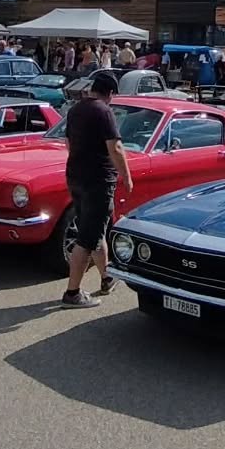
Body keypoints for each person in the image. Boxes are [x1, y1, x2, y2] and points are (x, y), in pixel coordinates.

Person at [60, 72, 133, 307]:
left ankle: (107, 277)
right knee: (87, 238)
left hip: (76, 177)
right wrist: (127, 177)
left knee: (94, 229)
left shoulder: (76, 109)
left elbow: (68, 143)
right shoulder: (104, 111)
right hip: (98, 181)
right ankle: (72, 293)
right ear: (110, 93)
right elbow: (116, 147)